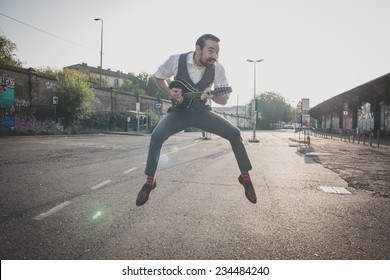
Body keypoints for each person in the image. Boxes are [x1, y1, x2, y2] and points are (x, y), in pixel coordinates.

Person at [136, 34, 257, 206]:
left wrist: (211, 96)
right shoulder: (176, 60)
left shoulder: (218, 68)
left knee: (234, 133)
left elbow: (224, 100)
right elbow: (158, 77)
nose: (214, 55)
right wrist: (170, 93)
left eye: (217, 52)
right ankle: (150, 181)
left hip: (202, 113)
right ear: (198, 48)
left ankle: (245, 178)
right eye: (210, 50)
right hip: (178, 113)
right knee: (156, 136)